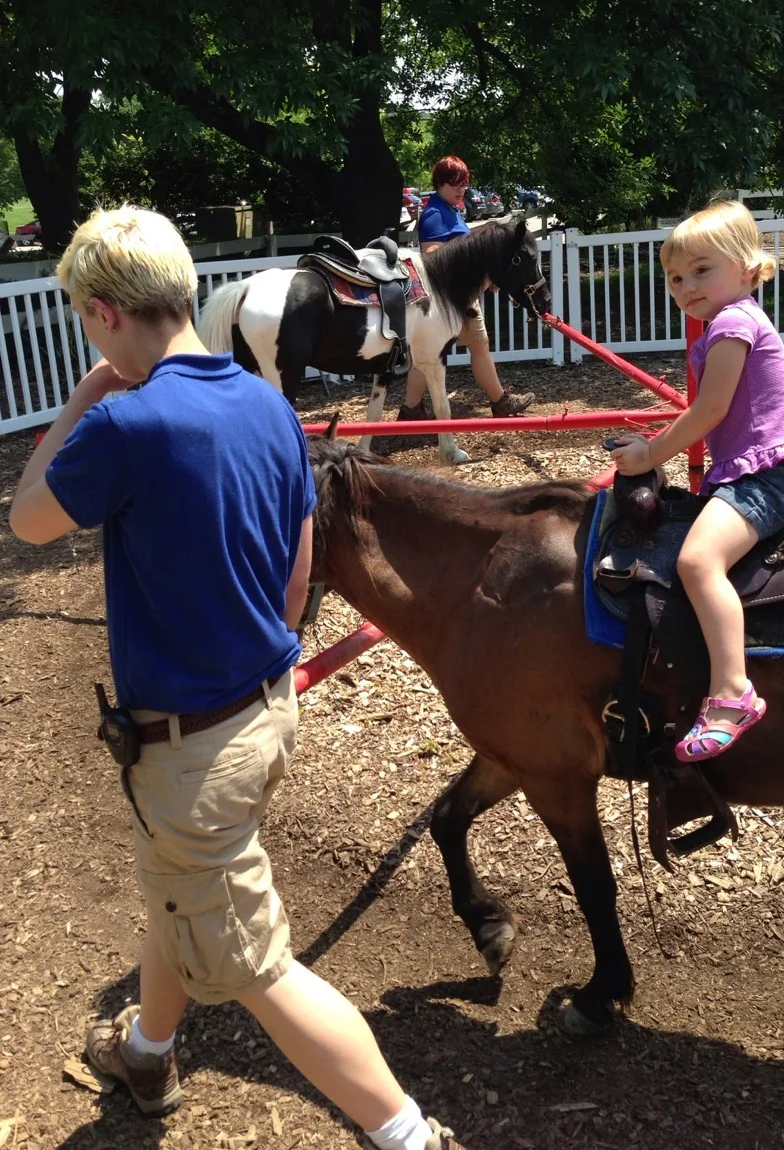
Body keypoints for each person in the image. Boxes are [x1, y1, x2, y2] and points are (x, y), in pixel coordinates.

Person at [8, 207, 463, 1150]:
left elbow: (27, 520)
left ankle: (408, 1134)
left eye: (89, 325)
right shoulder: (269, 407)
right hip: (267, 707)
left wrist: (89, 389)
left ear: (102, 311)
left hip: (187, 744)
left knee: (258, 965)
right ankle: (146, 1045)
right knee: (179, 886)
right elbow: (299, 573)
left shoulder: (125, 423)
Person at [610, 200, 784, 764]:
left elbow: (709, 410)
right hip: (754, 469)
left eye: (702, 270)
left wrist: (650, 453)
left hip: (771, 476)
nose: (686, 285)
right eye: (676, 277)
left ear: (749, 268)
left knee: (697, 561)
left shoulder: (734, 322)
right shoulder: (727, 324)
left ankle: (733, 691)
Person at [397, 154, 535, 426]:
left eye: (464, 183)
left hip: (456, 297)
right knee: (473, 347)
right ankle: (500, 402)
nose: (462, 189)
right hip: (454, 299)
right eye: (455, 183)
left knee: (431, 355)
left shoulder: (447, 210)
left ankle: (410, 410)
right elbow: (433, 256)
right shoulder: (436, 214)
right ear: (440, 183)